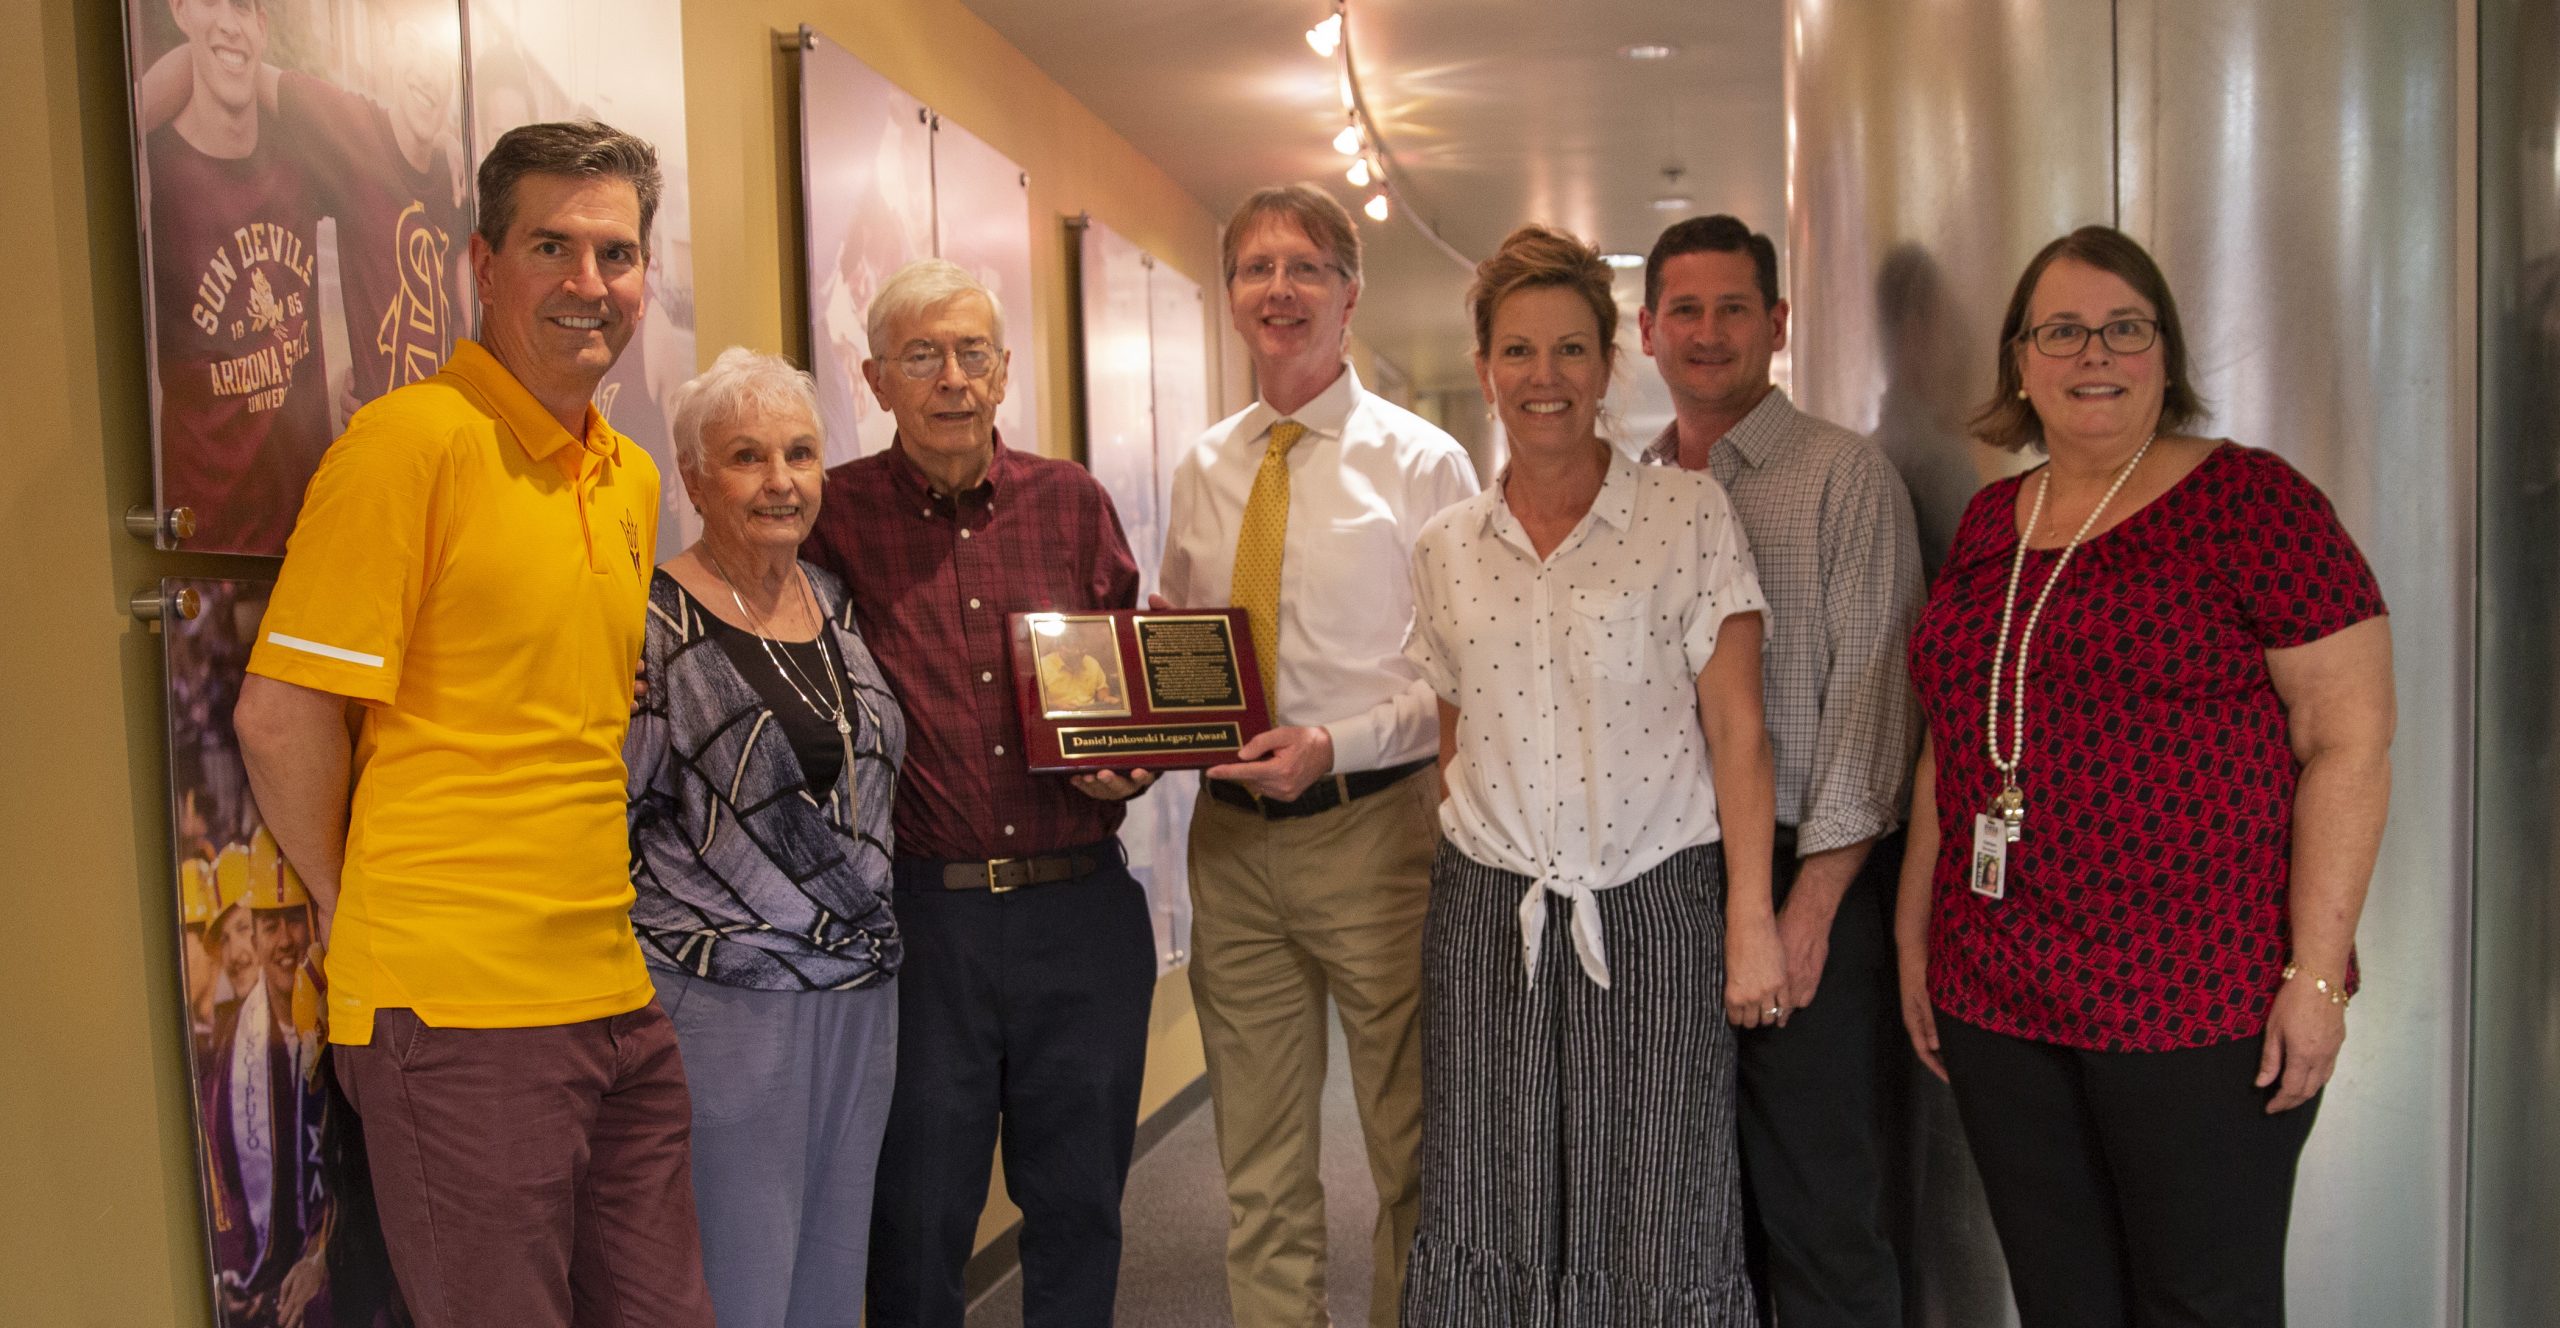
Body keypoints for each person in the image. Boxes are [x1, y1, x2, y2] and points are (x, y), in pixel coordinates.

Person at [233, 120, 715, 1328]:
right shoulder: (409, 444)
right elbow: (280, 713)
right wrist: (361, 915)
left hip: (611, 987)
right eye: (551, 245)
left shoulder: (632, 477)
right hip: (455, 1011)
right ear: (481, 263)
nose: (586, 283)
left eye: (614, 252)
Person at [1894, 225, 2394, 1328]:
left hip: (2197, 1001)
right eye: (2062, 330)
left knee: (2199, 1302)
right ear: (2018, 362)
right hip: (2000, 992)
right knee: (2063, 1300)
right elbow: (1952, 734)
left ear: (2164, 355)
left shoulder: (2256, 503)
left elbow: (2348, 737)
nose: (2095, 354)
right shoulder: (1992, 522)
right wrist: (1913, 933)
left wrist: (2315, 977)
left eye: (2126, 328)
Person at [1399, 223, 1781, 1325]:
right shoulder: (1445, 547)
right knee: (1487, 1190)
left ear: (1610, 362)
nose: (1544, 377)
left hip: (1656, 899)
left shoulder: (1687, 516)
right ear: (1483, 369)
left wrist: (1748, 920)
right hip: (1488, 905)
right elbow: (1453, 736)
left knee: (1657, 1192)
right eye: (1518, 351)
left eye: (1571, 349)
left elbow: (1739, 731)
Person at [801, 259, 1156, 1328]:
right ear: (874, 378)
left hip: (1080, 909)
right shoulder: (834, 516)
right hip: (922, 918)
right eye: (921, 355)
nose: (951, 378)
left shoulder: (1072, 501)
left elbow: (1134, 675)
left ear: (1004, 372)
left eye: (971, 354)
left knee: (1080, 1204)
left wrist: (1133, 758)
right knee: (915, 1215)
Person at [1158, 183, 1477, 1328]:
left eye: (1304, 268)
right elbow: (1187, 644)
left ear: (1349, 294)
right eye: (1255, 269)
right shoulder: (1204, 466)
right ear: (1231, 296)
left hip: (1377, 833)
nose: (1279, 290)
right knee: (1258, 1162)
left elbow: (1457, 676)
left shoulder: (1423, 462)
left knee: (1407, 1149)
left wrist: (1331, 744)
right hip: (1232, 846)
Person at [1637, 215, 1922, 1328]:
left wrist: (1802, 907)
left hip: (1813, 880)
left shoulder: (1842, 478)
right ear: (1649, 330)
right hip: (1666, 878)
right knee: (1695, 1209)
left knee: (1820, 1208)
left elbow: (1873, 704)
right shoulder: (1638, 491)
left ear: (1777, 324)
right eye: (1686, 310)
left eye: (1734, 308)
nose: (1709, 333)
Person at [624, 346, 907, 1328]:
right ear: (693, 474)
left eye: (800, 452)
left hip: (861, 993)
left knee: (834, 1266)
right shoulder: (645, 619)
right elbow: (607, 811)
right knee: (740, 1272)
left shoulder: (834, 601)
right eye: (747, 455)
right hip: (722, 1004)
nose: (780, 481)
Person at [142, 0, 333, 554]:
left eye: (245, 8)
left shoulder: (298, 158)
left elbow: (381, 183)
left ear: (263, 26)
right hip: (204, 546)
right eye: (210, 3)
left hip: (304, 535)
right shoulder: (155, 175)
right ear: (180, 12)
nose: (229, 22)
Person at [202, 840, 330, 1328]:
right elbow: (227, 1182)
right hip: (265, 1292)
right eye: (269, 925)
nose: (284, 941)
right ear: (254, 937)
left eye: (293, 920)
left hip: (338, 1284)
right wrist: (237, 1276)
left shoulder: (343, 1023)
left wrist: (325, 1256)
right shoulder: (233, 1045)